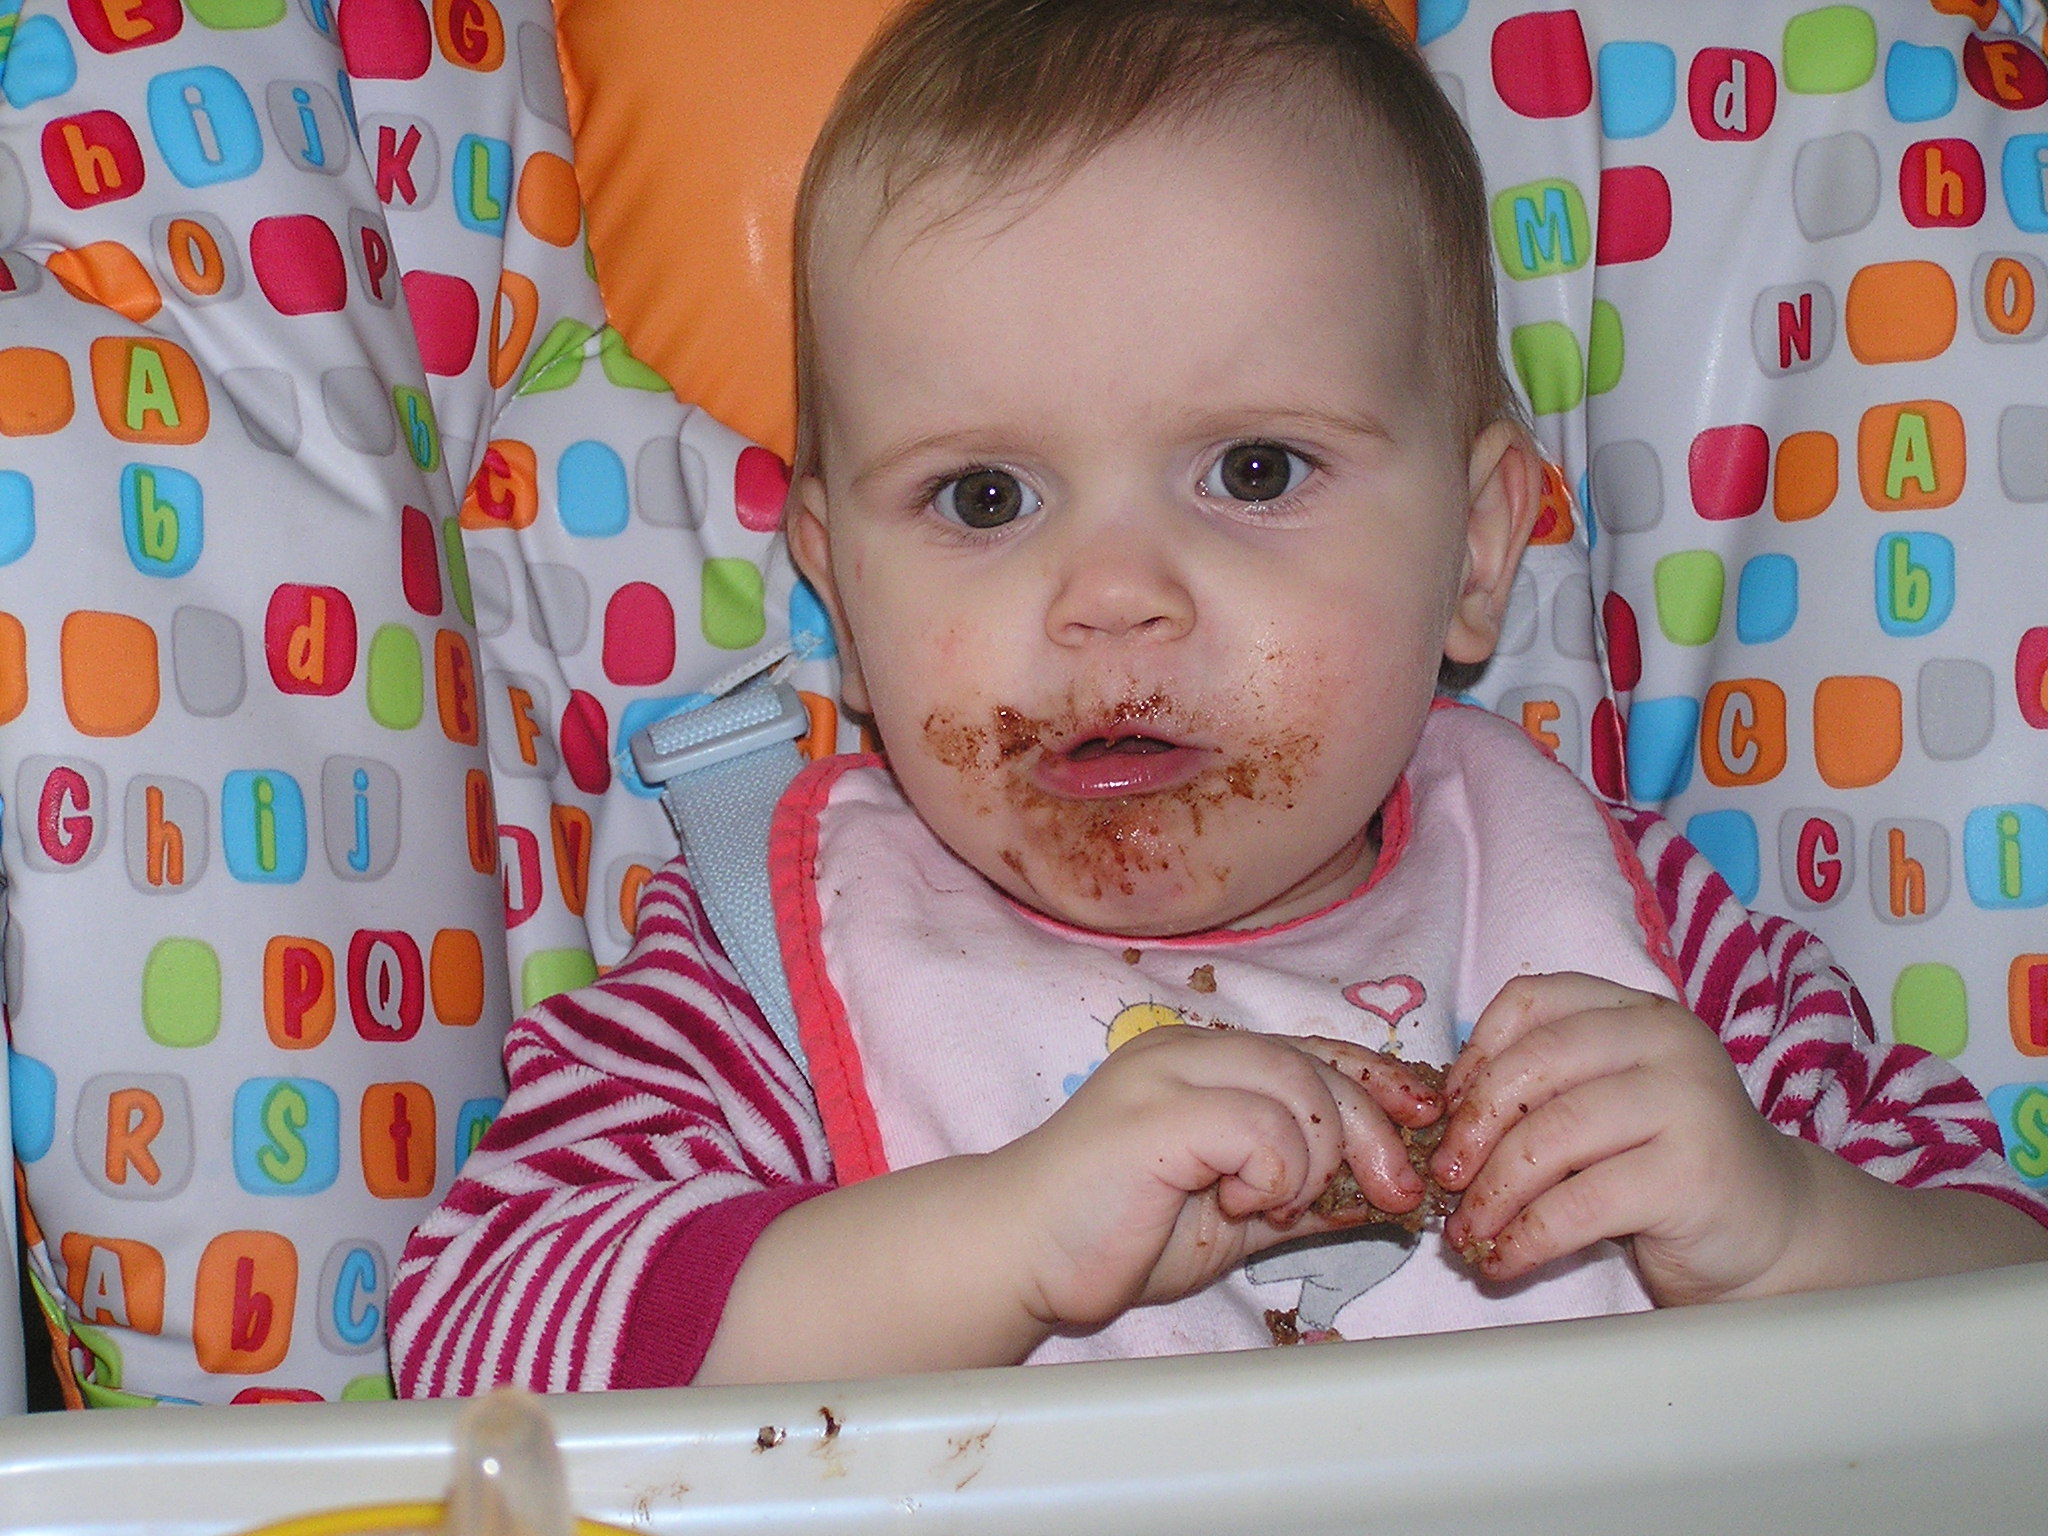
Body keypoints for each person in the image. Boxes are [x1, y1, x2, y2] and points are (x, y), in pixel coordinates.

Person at [390, 0, 2048, 1395]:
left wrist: (1779, 1229)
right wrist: (1005, 1241)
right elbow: (483, 1338)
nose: (1114, 593)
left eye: (1255, 470)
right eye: (983, 497)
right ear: (839, 588)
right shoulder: (780, 964)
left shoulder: (1621, 924)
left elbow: (2005, 1288)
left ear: (1478, 552)